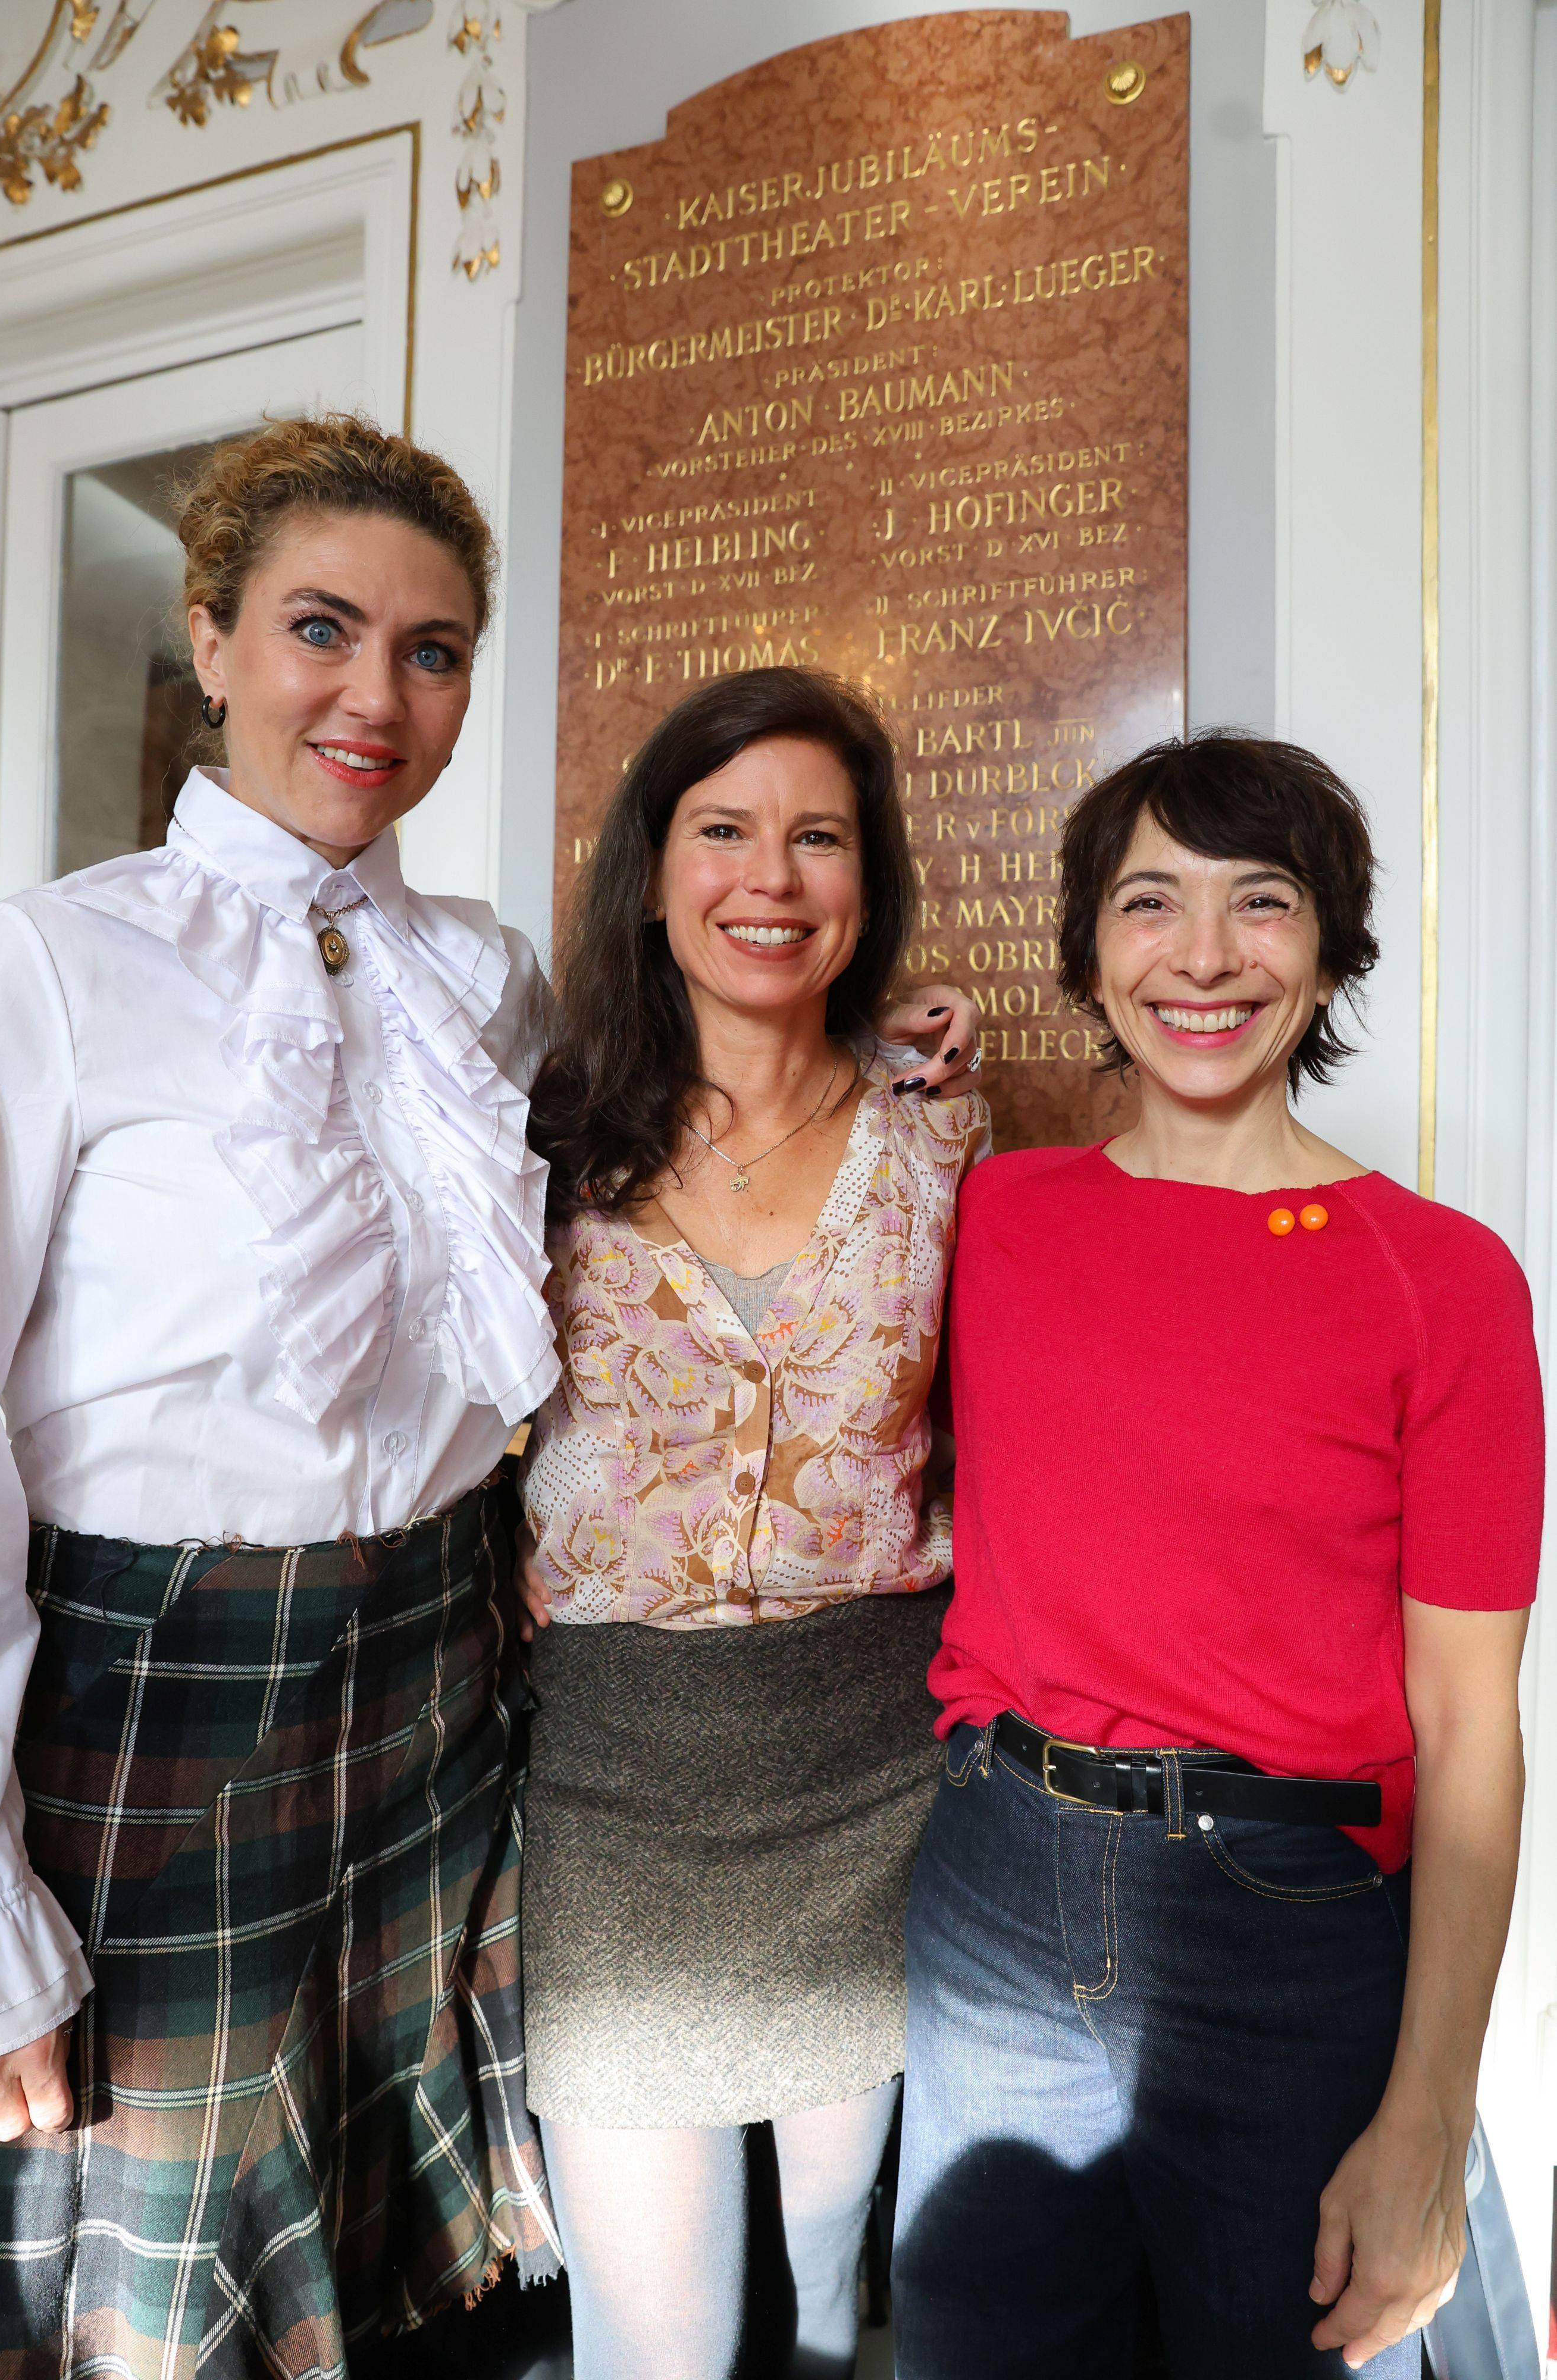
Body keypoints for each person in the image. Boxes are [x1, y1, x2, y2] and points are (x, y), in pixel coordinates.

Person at [0, 415, 564, 2374]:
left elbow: (668, 1156)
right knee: (150, 2289)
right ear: (211, 640)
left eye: (434, 647)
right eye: (321, 627)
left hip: (439, 1672)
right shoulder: (47, 967)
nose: (375, 695)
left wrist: (879, 1039)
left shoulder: (485, 981)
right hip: (159, 1698)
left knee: (395, 2275)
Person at [892, 731, 1542, 2379]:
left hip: (1286, 1924)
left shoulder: (1443, 1279)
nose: (1201, 956)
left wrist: (1425, 2120)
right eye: (1148, 904)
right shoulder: (1000, 1216)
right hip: (992, 1887)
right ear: (1089, 957)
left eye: (1260, 904)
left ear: (1325, 952)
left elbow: (1471, 1729)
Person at [516, 666, 991, 2380]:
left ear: (866, 889)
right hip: (617, 1789)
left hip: (875, 1778)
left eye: (817, 839)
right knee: (659, 2343)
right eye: (723, 831)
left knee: (823, 2287)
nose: (769, 880)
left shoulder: (946, 1136)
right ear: (652, 873)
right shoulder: (534, 1134)